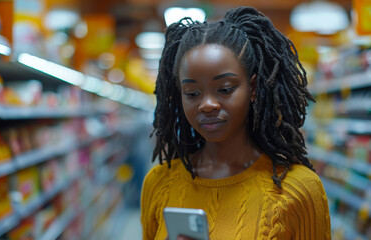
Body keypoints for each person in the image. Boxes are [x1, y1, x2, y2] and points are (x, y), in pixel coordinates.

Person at [141, 6, 331, 240]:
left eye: (225, 89)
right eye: (192, 93)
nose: (207, 104)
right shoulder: (159, 183)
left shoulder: (299, 189)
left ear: (252, 88)